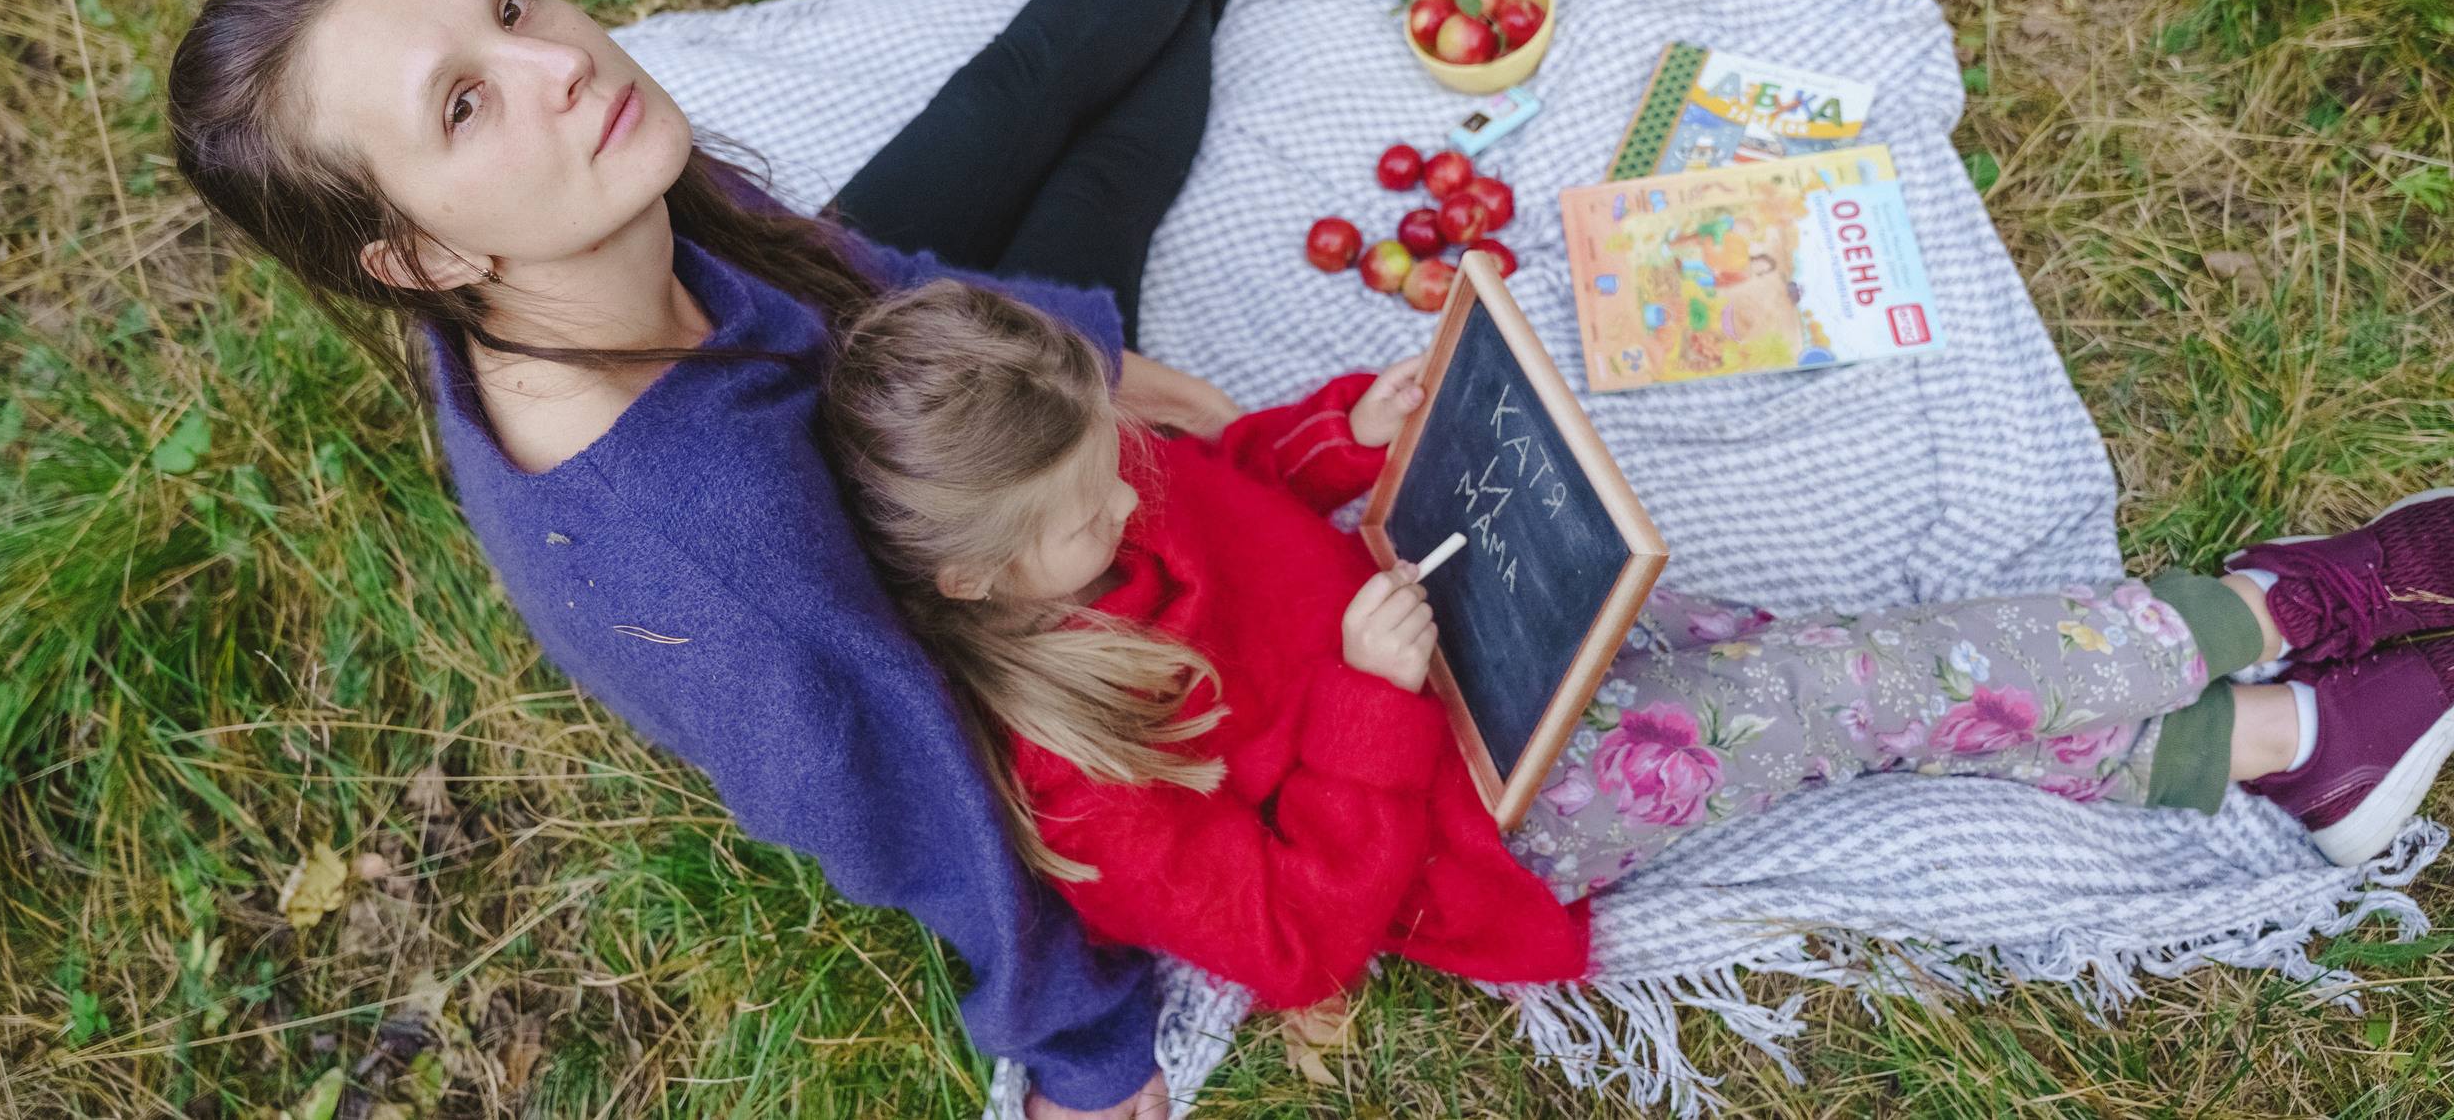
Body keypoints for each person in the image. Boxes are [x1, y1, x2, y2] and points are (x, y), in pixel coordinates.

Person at [166, 0, 1320, 1120]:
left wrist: (1117, 362)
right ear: (413, 252)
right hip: (940, 471)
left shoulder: (591, 198)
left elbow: (858, 269)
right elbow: (925, 814)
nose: (556, 61)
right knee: (1107, 168)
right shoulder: (712, 551)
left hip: (880, 358)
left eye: (511, 3)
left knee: (1008, 95)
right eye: (465, 104)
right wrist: (1086, 1053)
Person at [815, 278, 2454, 1027]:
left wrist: (1336, 432)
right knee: (1857, 688)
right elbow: (1302, 944)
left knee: (1835, 673)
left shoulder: (1094, 487)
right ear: (975, 582)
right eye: (1094, 505)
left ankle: (2285, 749)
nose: (1133, 489)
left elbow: (1230, 491)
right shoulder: (1088, 786)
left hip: (1469, 617)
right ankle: (2277, 611)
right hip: (1483, 804)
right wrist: (1372, 716)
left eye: (1116, 454)